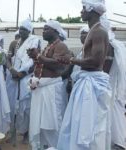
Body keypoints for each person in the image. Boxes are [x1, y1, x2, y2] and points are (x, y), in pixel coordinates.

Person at [57, 0, 111, 149]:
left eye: (83, 9)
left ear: (91, 10)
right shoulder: (93, 30)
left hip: (91, 84)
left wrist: (72, 60)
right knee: (77, 122)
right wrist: (70, 60)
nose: (81, 12)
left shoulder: (99, 31)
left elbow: (95, 61)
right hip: (86, 81)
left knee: (88, 125)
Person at [27, 20, 70, 149]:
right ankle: (44, 146)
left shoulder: (60, 46)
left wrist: (38, 56)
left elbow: (57, 65)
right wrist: (34, 57)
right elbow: (43, 65)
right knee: (40, 122)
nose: (43, 32)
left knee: (52, 122)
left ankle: (56, 147)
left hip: (51, 89)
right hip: (41, 88)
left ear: (55, 31)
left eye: (46, 29)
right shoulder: (48, 46)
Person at [6, 19, 41, 145]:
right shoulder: (14, 43)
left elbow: (35, 62)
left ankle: (26, 134)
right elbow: (7, 59)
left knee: (26, 108)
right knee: (12, 107)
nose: (21, 31)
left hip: (26, 78)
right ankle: (13, 134)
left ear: (29, 31)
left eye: (24, 29)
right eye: (20, 28)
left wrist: (22, 73)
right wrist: (11, 70)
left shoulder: (34, 42)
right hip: (13, 78)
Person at [100, 15, 126, 150]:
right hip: (111, 88)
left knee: (111, 116)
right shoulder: (114, 44)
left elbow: (104, 70)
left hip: (107, 88)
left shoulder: (109, 44)